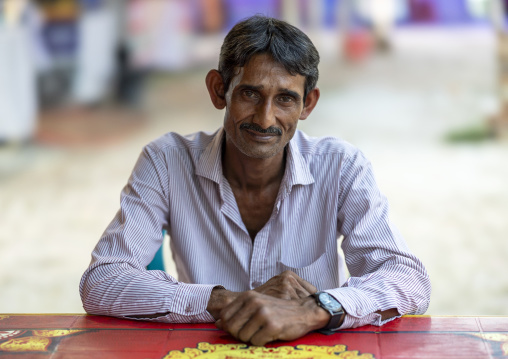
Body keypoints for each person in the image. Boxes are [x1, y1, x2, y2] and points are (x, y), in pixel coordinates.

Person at [80, 15, 431, 346]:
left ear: (308, 104)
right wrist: (223, 301)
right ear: (219, 90)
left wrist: (313, 309)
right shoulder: (167, 161)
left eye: (285, 99)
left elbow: (408, 280)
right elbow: (102, 281)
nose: (265, 119)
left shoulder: (340, 166)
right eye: (250, 94)